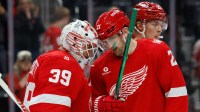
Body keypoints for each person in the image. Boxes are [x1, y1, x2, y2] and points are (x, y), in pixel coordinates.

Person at [89, 8, 188, 112]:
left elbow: (177, 93)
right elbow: (89, 103)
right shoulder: (98, 66)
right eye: (103, 43)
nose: (109, 47)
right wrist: (103, 104)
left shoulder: (158, 50)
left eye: (111, 40)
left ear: (125, 32)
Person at [23, 19, 99, 112]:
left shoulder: (55, 59)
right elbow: (50, 108)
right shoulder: (62, 62)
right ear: (75, 42)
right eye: (89, 47)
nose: (91, 54)